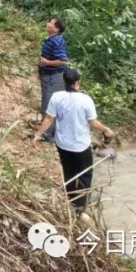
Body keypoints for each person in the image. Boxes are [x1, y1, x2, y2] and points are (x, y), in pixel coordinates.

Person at [33, 68, 115, 211]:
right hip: (80, 145)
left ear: (64, 82)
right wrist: (106, 130)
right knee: (85, 174)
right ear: (77, 82)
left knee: (69, 171)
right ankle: (81, 205)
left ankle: (71, 198)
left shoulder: (56, 97)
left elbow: (49, 119)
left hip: (62, 144)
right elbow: (93, 123)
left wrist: (37, 135)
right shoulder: (85, 100)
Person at [37, 17, 69, 142]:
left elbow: (63, 61)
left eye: (50, 23)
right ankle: (51, 132)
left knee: (49, 104)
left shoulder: (57, 41)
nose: (47, 23)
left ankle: (49, 135)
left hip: (54, 77)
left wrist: (47, 62)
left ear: (56, 29)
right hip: (47, 75)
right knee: (48, 103)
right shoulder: (51, 39)